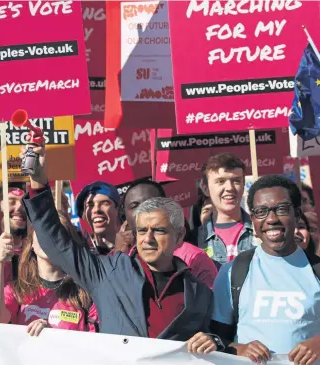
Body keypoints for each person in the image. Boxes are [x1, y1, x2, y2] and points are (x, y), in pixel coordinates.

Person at [19, 140, 221, 352]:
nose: (148, 239)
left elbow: (215, 340)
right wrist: (39, 183)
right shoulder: (106, 272)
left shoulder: (199, 293)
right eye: (142, 231)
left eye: (159, 230)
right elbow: (55, 241)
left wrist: (213, 341)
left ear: (179, 235)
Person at [211, 175, 320, 364]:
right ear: (253, 218)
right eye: (261, 211)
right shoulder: (232, 272)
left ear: (297, 213)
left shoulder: (316, 269)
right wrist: (240, 348)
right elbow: (216, 339)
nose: (271, 219)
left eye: (281, 209)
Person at [0, 211, 98, 336]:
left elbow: (90, 347)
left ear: (68, 243)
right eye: (43, 231)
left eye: (58, 232)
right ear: (31, 242)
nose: (50, 238)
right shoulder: (17, 290)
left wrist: (51, 335)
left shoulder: (85, 294)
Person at [118, 179, 218, 289]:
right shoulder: (120, 259)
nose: (144, 212)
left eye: (151, 204)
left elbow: (212, 302)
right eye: (134, 206)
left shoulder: (194, 258)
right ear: (125, 213)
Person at [198, 153, 255, 264]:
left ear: (244, 186)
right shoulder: (195, 238)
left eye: (236, 181)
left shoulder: (259, 231)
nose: (229, 188)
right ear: (205, 189)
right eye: (220, 181)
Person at [75, 181, 121, 255]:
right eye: (90, 205)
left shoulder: (134, 248)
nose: (96, 210)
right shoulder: (83, 255)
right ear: (84, 215)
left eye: (104, 203)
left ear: (117, 209)